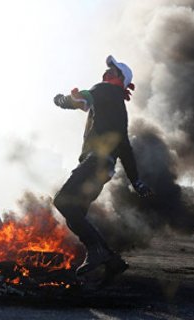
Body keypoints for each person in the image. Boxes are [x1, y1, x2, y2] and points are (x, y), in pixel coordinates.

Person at [52, 55, 152, 277]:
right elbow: (125, 148)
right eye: (108, 70)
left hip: (96, 160)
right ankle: (111, 261)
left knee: (62, 201)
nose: (107, 73)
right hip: (105, 169)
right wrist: (136, 181)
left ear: (120, 79)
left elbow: (86, 98)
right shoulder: (119, 109)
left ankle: (97, 251)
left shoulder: (104, 90)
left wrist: (62, 101)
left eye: (113, 71)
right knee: (75, 214)